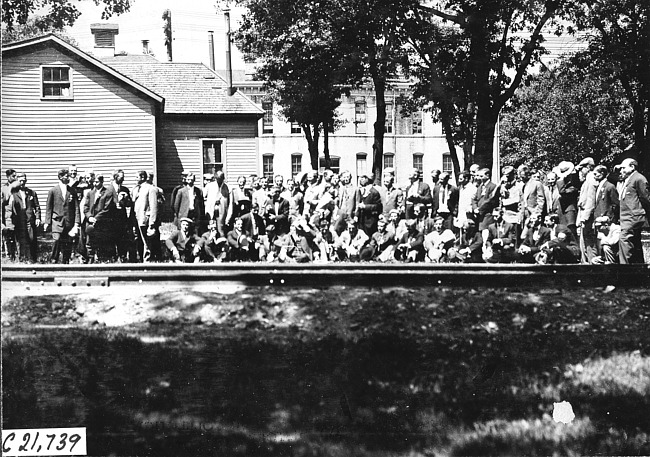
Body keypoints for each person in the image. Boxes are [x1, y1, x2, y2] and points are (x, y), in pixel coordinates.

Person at [44, 169, 81, 264]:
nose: (68, 178)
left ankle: (66, 261)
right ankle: (53, 260)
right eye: (66, 176)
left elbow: (76, 208)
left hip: (69, 222)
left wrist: (76, 223)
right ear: (60, 177)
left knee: (68, 242)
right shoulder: (53, 191)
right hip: (57, 221)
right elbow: (49, 207)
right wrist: (47, 222)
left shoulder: (72, 191)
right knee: (57, 239)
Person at [617, 158, 650, 264]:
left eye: (623, 168)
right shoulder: (629, 179)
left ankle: (624, 269)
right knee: (635, 244)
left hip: (633, 217)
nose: (621, 170)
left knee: (624, 239)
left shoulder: (638, 178)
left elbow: (645, 198)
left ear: (632, 167)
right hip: (627, 218)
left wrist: (640, 213)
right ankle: (638, 270)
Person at [5, 173, 41, 262]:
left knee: (31, 239)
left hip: (30, 219)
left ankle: (32, 259)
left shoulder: (31, 192)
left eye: (24, 181)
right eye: (20, 181)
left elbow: (37, 207)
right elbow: (9, 207)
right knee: (21, 240)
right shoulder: (13, 193)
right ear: (17, 181)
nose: (22, 183)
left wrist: (37, 218)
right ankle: (22, 259)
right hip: (19, 220)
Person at [131, 171, 159, 262]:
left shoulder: (151, 189)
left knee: (147, 243)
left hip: (145, 220)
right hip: (136, 219)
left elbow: (154, 207)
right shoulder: (136, 189)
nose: (135, 179)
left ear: (142, 177)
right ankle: (141, 261)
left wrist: (152, 223)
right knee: (139, 241)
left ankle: (147, 262)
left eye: (136, 177)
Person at [576, 157, 598, 263]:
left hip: (588, 218)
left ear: (588, 168)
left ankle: (591, 266)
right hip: (584, 216)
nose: (580, 171)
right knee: (584, 243)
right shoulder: (586, 180)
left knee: (589, 243)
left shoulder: (591, 179)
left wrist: (584, 218)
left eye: (582, 168)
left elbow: (590, 200)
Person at [555, 161, 580, 239]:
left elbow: (562, 191)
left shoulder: (573, 184)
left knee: (570, 232)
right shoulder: (565, 183)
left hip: (570, 210)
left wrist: (561, 179)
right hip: (563, 210)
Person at [204, 170, 230, 237]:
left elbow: (230, 205)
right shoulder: (209, 186)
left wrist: (228, 217)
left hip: (222, 213)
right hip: (211, 213)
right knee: (210, 230)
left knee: (221, 231)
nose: (219, 181)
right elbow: (203, 198)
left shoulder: (227, 188)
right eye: (217, 179)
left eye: (221, 179)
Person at [2, 168, 19, 260]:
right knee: (8, 239)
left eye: (16, 176)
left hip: (17, 218)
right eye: (13, 176)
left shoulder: (17, 187)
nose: (15, 178)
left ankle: (17, 258)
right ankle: (9, 258)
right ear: (8, 177)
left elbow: (18, 183)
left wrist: (11, 188)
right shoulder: (3, 188)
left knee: (17, 239)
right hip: (8, 218)